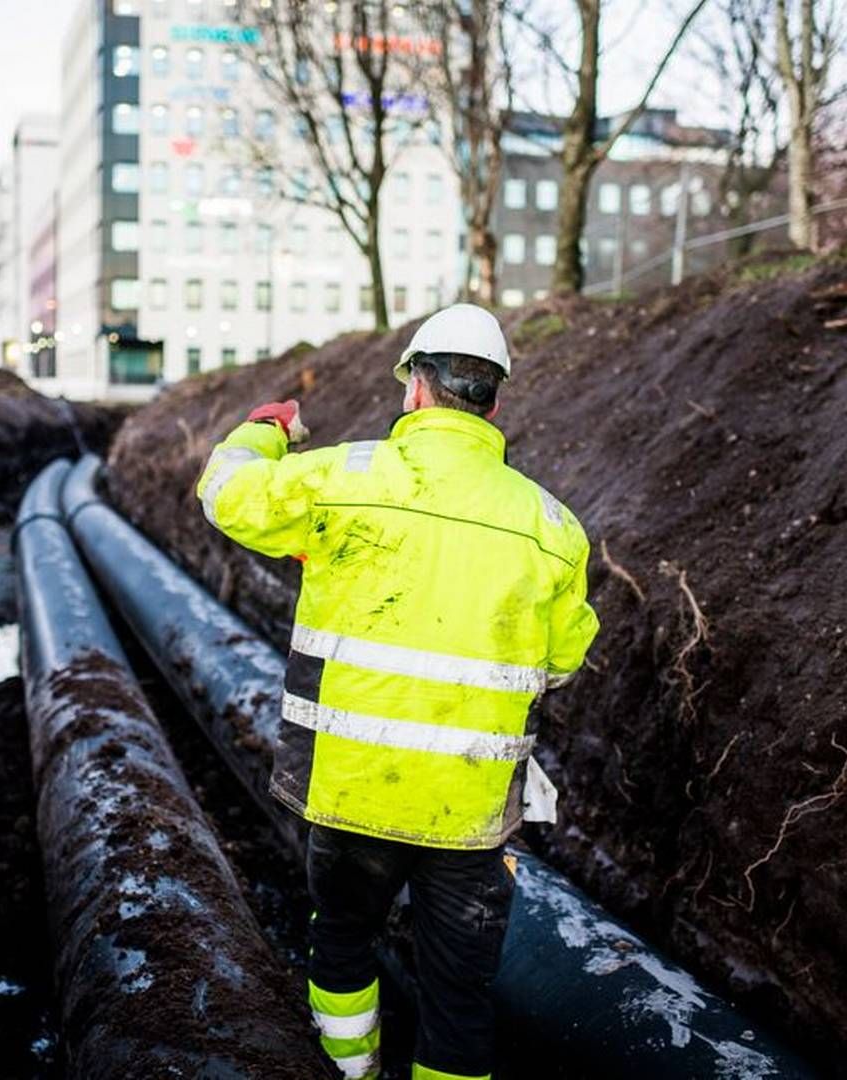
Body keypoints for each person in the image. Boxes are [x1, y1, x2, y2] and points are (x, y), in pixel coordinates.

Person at [195, 303, 599, 1080]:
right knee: (459, 994)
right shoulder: (554, 528)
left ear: (416, 386)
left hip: (351, 793)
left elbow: (224, 491)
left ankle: (352, 1073)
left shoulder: (341, 479)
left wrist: (265, 428)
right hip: (469, 815)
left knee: (343, 943)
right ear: (494, 400)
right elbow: (561, 662)